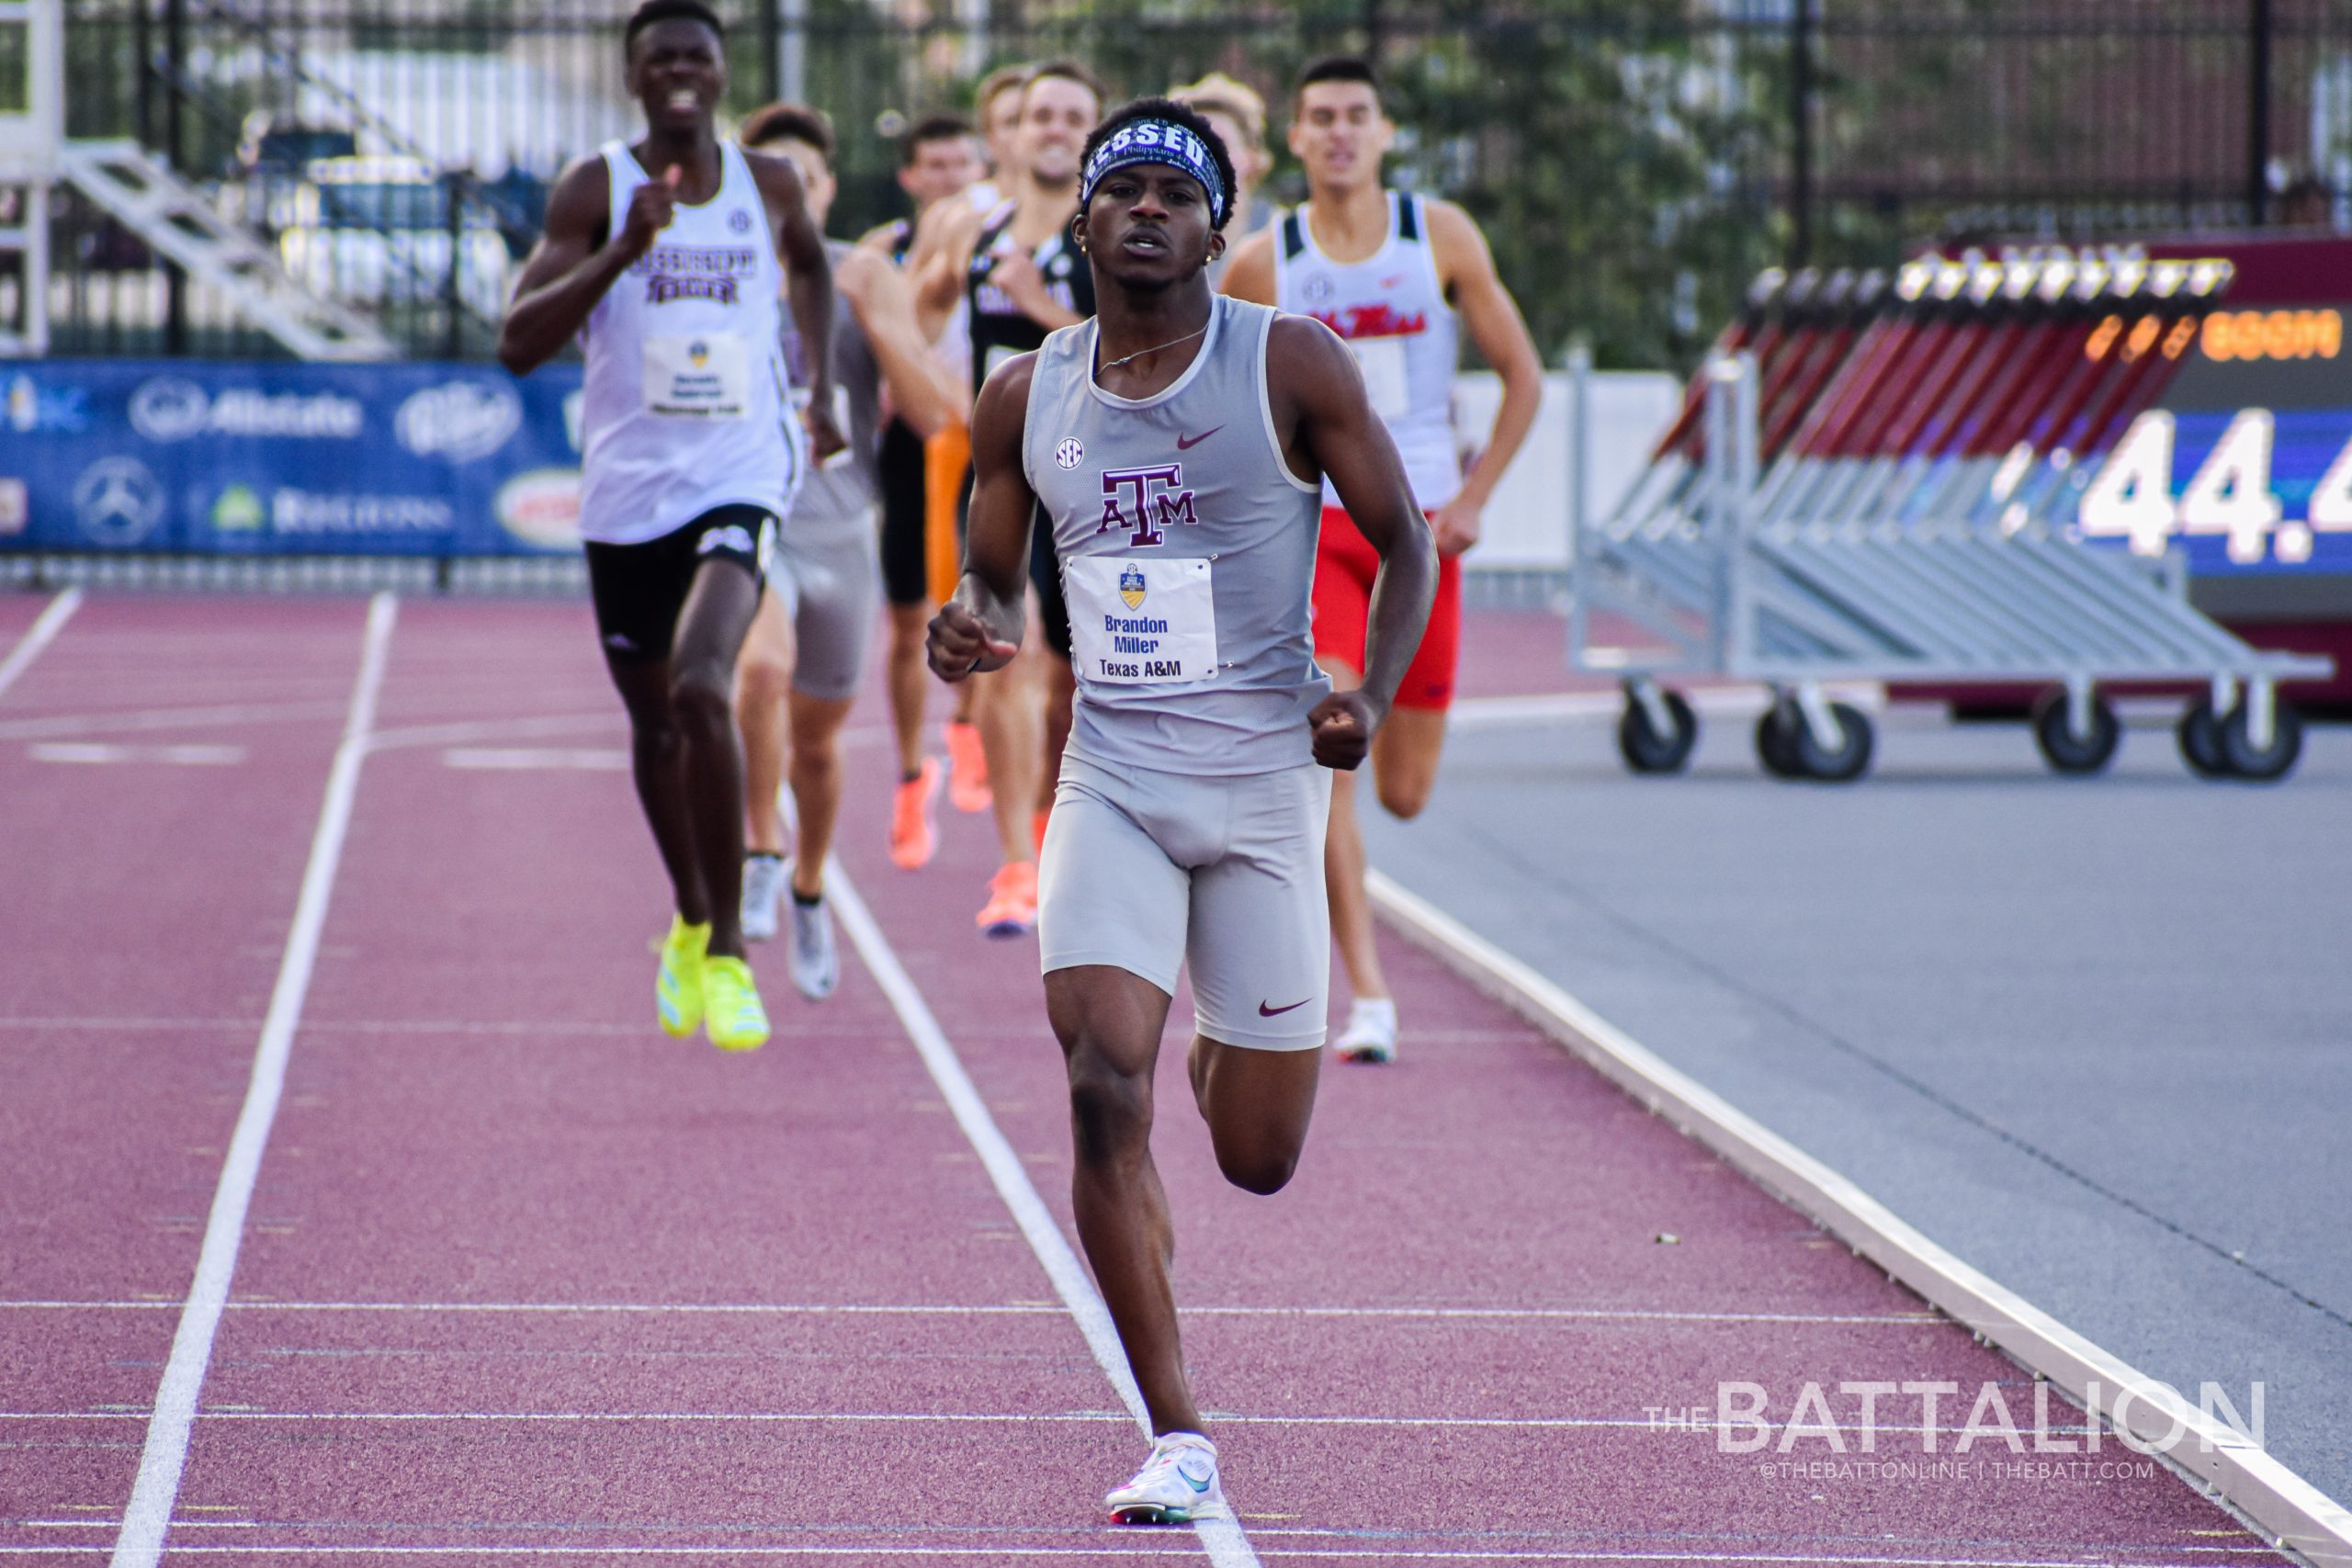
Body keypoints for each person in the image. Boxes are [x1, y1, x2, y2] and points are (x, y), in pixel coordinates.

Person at [928, 97, 1435, 1525]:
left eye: (1175, 192)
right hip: (1117, 779)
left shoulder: (1288, 360)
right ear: (1081, 223)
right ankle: (1179, 1425)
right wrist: (966, 626)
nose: (1146, 209)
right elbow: (991, 577)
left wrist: (1369, 702)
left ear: (1216, 226)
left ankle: (1230, 1029)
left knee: (1258, 1159)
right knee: (1101, 1081)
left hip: (1269, 788)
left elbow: (1405, 543)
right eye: (1121, 191)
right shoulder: (1029, 393)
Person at [495, 0, 839, 1054]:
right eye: (662, 60)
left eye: (698, 57)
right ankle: (691, 915)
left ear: (722, 75)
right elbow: (517, 341)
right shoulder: (595, 188)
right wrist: (623, 250)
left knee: (704, 681)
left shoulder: (767, 185)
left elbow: (814, 271)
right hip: (627, 493)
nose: (681, 73)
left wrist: (816, 383)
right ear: (634, 76)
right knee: (653, 726)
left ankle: (732, 951)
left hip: (740, 471)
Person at [1222, 54, 1541, 1065]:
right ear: (1297, 140)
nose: (1339, 134)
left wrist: (1476, 495)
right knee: (1329, 760)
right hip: (1319, 536)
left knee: (1404, 791)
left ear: (1385, 131)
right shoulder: (1267, 262)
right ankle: (1364, 996)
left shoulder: (1435, 237)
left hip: (1420, 535)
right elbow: (1219, 395)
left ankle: (1361, 969)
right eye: (1320, 118)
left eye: (1357, 115)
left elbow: (1522, 375)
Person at [733, 104, 962, 987]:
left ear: (827, 190)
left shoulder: (864, 273)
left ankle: (809, 884)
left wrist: (873, 320)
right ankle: (759, 851)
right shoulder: (727, 278)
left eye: (803, 178)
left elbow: (934, 411)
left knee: (819, 746)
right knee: (758, 673)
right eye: (767, 179)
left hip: (843, 530)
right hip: (754, 523)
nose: (787, 195)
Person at [921, 61, 1105, 937]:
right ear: (1014, 129)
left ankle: (1052, 832)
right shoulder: (971, 229)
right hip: (1002, 473)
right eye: (1041, 113)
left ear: (1093, 131)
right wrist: (935, 389)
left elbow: (1154, 352)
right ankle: (1017, 867)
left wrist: (1039, 307)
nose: (1054, 127)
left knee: (1074, 685)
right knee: (1009, 649)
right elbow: (912, 312)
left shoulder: (1116, 227)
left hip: (1098, 478)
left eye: (1074, 114)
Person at [857, 113, 984, 869]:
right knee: (908, 622)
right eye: (933, 166)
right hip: (915, 441)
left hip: (987, 446)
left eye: (960, 164)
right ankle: (912, 773)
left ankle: (968, 723)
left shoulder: (1004, 248)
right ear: (910, 177)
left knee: (990, 602)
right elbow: (884, 342)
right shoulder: (885, 254)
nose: (948, 178)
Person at [1168, 73, 1276, 281]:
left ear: (1251, 156)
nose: (1204, 157)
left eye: (1219, 144)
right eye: (1192, 144)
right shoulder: (1155, 234)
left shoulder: (1281, 234)